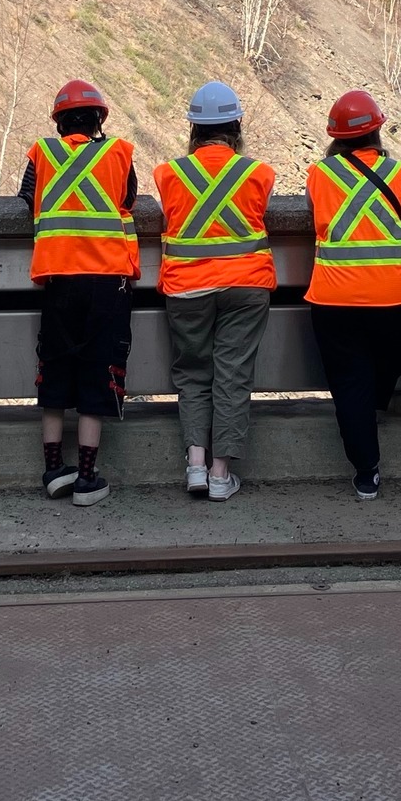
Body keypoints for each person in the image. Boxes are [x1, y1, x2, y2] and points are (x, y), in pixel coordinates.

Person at [153, 81, 276, 501]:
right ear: (236, 126)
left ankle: (195, 466)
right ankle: (222, 475)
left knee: (192, 375)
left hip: (186, 287)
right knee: (232, 375)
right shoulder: (259, 173)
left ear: (193, 130)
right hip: (247, 285)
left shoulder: (168, 174)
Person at [20, 79, 140, 507]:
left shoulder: (42, 154)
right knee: (99, 370)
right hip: (107, 280)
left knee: (53, 368)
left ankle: (54, 471)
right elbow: (128, 197)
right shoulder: (118, 152)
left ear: (59, 121)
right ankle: (87, 479)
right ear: (98, 121)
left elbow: (26, 198)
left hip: (56, 278)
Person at [308, 91, 401, 501]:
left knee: (347, 382)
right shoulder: (398, 173)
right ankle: (378, 395)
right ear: (378, 130)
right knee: (396, 348)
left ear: (335, 138)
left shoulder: (318, 175)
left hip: (333, 299)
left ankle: (366, 471)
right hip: (395, 299)